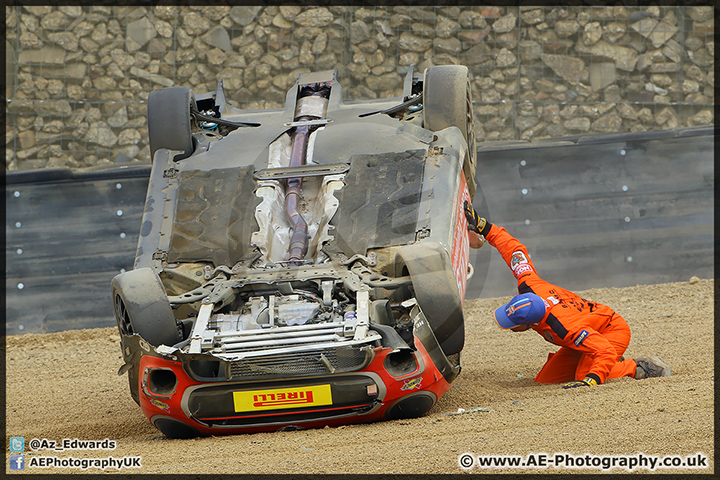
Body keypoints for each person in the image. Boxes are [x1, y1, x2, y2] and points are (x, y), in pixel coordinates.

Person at [464, 201, 671, 388]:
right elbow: (515, 252)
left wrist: (593, 379)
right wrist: (485, 227)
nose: (510, 327)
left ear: (531, 325)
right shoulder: (529, 284)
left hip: (610, 330)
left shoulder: (565, 328)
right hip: (587, 329)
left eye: (513, 324)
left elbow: (604, 350)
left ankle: (639, 367)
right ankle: (597, 360)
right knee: (545, 380)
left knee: (586, 374)